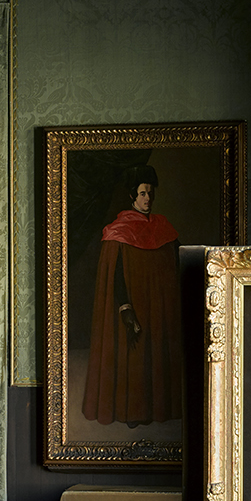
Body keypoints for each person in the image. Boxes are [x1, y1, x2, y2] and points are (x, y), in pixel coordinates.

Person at [82, 165, 180, 427]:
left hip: (158, 305)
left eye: (150, 192)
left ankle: (158, 409)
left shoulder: (163, 227)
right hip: (132, 305)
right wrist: (125, 307)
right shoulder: (118, 231)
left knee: (156, 355)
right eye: (142, 193)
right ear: (132, 196)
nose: (148, 198)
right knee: (135, 357)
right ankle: (133, 413)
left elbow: (176, 263)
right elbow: (114, 276)